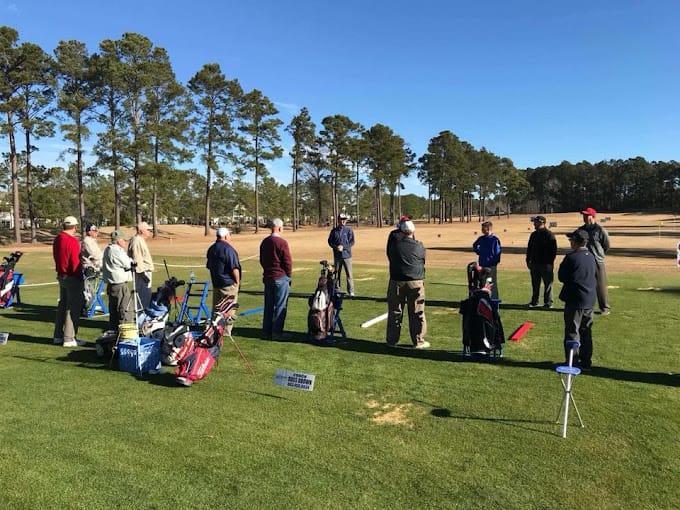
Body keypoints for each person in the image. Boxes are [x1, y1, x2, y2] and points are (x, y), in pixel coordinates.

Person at [385, 219, 429, 349]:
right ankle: (418, 341)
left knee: (395, 312)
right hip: (415, 282)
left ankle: (392, 341)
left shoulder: (394, 246)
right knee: (417, 311)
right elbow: (423, 260)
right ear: (413, 231)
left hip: (397, 281)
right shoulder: (419, 246)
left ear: (402, 231)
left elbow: (390, 256)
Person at [558, 229, 597, 369]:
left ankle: (571, 361)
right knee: (586, 331)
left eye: (571, 240)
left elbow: (561, 276)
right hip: (589, 300)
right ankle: (586, 361)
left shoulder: (571, 257)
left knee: (572, 331)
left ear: (576, 242)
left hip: (575, 300)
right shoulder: (591, 256)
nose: (570, 242)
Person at [52, 216, 85, 347]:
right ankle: (69, 338)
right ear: (75, 227)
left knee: (63, 306)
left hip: (62, 275)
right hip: (72, 276)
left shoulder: (58, 238)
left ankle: (58, 336)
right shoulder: (72, 241)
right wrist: (80, 276)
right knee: (73, 308)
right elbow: (75, 262)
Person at [259, 218, 292, 339]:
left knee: (268, 305)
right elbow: (287, 261)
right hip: (280, 277)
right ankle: (277, 332)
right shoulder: (282, 242)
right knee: (280, 305)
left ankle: (266, 330)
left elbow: (262, 260)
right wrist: (288, 275)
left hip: (268, 276)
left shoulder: (265, 242)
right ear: (279, 228)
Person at [206, 227, 241, 334]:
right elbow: (234, 268)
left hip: (217, 283)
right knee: (229, 309)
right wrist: (237, 282)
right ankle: (225, 332)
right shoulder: (228, 249)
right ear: (225, 236)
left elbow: (209, 266)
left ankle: (214, 330)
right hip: (228, 284)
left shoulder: (211, 248)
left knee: (217, 309)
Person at [580, 207, 611, 315]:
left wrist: (599, 254)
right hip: (584, 261)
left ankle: (605, 308)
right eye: (583, 215)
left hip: (597, 261)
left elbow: (606, 245)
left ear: (592, 216)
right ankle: (586, 306)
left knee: (600, 285)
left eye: (586, 215)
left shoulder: (600, 230)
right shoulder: (581, 230)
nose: (584, 217)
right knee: (584, 284)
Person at [101, 230, 134, 333]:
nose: (125, 242)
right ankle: (126, 334)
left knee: (115, 311)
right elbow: (128, 264)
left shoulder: (109, 249)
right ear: (119, 240)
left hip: (113, 284)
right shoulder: (115, 250)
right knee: (125, 309)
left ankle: (114, 333)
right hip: (119, 284)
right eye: (124, 240)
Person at [526, 215, 558, 308]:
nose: (534, 224)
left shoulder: (549, 234)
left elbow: (553, 250)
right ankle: (534, 301)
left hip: (546, 264)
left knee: (548, 284)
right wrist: (528, 260)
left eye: (535, 222)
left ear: (542, 222)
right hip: (534, 264)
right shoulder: (533, 235)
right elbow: (529, 249)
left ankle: (548, 302)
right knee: (535, 284)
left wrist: (549, 262)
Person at [128, 221, 155, 310]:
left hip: (144, 272)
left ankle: (142, 317)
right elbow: (137, 258)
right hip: (142, 273)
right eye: (147, 230)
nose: (149, 232)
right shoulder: (137, 240)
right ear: (141, 230)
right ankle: (141, 318)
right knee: (143, 297)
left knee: (146, 296)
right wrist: (142, 274)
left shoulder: (139, 240)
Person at [327, 213, 355, 296]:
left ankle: (351, 291)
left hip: (347, 256)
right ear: (338, 220)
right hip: (337, 256)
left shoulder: (349, 230)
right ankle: (337, 290)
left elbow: (352, 242)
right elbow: (330, 242)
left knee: (349, 274)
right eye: (342, 219)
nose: (343, 221)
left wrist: (344, 247)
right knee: (337, 274)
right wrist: (336, 247)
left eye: (344, 220)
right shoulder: (334, 231)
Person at [472, 221, 502, 300]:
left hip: (491, 266)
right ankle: (484, 299)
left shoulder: (495, 240)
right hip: (482, 264)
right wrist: (479, 252)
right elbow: (475, 245)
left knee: (490, 282)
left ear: (488, 229)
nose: (481, 230)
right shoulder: (481, 238)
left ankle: (494, 299)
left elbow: (497, 253)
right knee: (482, 282)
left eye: (483, 228)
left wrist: (494, 263)